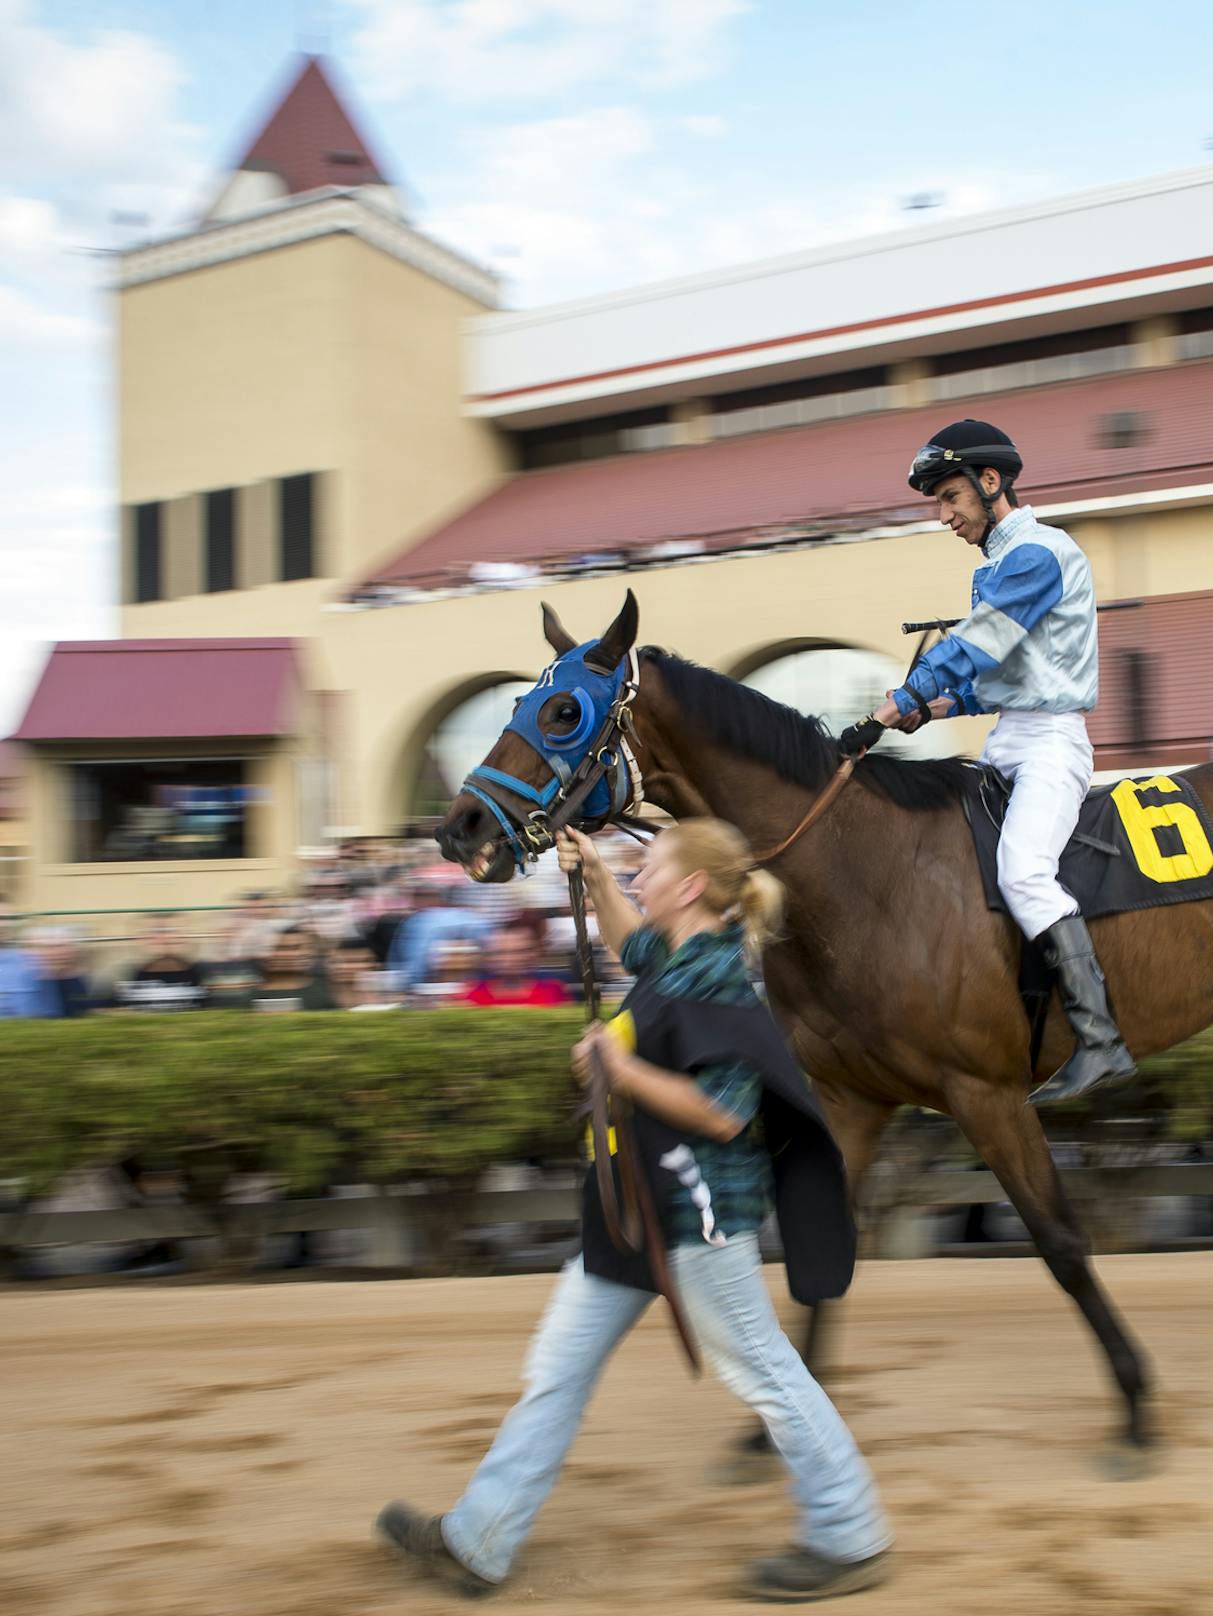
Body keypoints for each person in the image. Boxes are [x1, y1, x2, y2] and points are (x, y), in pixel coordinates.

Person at [375, 819, 892, 1601]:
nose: (635, 878)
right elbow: (631, 944)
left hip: (695, 1216)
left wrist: (617, 1068)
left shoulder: (718, 978)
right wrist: (592, 874)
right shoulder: (674, 955)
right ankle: (479, 1539)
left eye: (646, 868)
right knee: (558, 1368)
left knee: (766, 1374)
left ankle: (849, 1533)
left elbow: (721, 1112)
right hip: (631, 1209)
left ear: (689, 889)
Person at [850, 418, 1135, 1106]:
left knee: (1024, 871)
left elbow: (977, 644)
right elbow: (994, 675)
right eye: (939, 504)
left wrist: (903, 699)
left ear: (990, 482)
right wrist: (935, 709)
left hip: (1052, 746)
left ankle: (1102, 1041)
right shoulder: (1000, 565)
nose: (944, 516)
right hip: (1010, 740)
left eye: (950, 498)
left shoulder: (1037, 554)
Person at [462, 925, 572, 1008]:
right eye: (500, 952)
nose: (510, 959)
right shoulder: (473, 992)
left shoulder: (552, 990)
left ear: (533, 954)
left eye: (519, 951)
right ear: (488, 956)